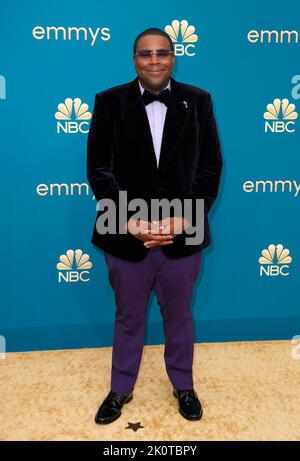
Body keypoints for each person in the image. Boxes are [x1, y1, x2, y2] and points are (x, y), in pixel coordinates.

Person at [87, 27, 223, 424]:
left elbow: (210, 168)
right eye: (145, 54)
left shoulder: (199, 101)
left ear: (173, 57)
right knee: (128, 317)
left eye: (162, 53)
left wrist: (184, 219)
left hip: (184, 232)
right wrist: (129, 221)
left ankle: (183, 384)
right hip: (125, 234)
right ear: (135, 59)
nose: (154, 60)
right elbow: (99, 169)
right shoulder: (109, 102)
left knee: (179, 316)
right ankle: (120, 388)